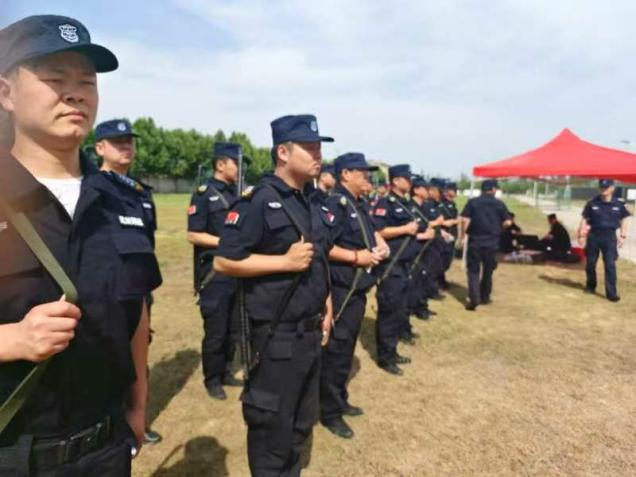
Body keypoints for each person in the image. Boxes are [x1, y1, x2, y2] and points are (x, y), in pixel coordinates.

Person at [0, 15, 161, 475]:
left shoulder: (121, 202)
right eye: (55, 78)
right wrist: (11, 340)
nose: (75, 94)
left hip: (105, 447)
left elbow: (135, 312)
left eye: (86, 81)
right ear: (6, 94)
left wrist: (138, 404)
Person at [214, 114, 334, 476]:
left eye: (319, 148)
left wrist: (326, 303)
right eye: (309, 148)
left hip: (310, 333)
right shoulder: (258, 201)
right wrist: (284, 262)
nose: (318, 155)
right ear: (283, 152)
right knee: (272, 434)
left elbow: (319, 259)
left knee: (300, 425)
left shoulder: (312, 199)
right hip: (276, 338)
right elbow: (224, 261)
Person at [94, 118, 163, 445]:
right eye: (117, 142)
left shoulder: (140, 193)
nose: (126, 147)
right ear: (99, 148)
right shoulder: (92, 187)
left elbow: (147, 244)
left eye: (129, 141)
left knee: (138, 358)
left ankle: (137, 418)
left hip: (139, 290)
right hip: (106, 293)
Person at [320, 152, 389, 439]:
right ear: (345, 174)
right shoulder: (335, 203)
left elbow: (371, 234)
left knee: (345, 350)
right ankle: (329, 412)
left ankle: (338, 399)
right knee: (336, 352)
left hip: (357, 290)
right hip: (341, 290)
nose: (367, 178)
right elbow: (323, 246)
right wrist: (356, 257)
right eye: (362, 173)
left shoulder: (357, 204)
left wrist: (381, 246)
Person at [187, 142, 244, 399]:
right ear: (221, 165)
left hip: (237, 271)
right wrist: (225, 242)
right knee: (216, 331)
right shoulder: (204, 194)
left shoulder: (237, 195)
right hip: (214, 274)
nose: (239, 169)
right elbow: (194, 234)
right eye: (236, 163)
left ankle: (226, 371)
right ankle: (212, 379)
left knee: (234, 328)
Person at [372, 164, 420, 375]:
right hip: (391, 266)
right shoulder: (385, 203)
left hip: (405, 265)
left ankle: (392, 351)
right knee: (389, 312)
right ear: (396, 181)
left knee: (399, 309)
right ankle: (385, 357)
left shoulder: (405, 203)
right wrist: (405, 229)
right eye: (407, 179)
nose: (410, 182)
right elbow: (378, 230)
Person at [460, 179, 512, 311]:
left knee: (473, 270)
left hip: (475, 241)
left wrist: (463, 236)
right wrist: (499, 228)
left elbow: (465, 220)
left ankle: (474, 298)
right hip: (492, 242)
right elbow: (508, 222)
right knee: (488, 271)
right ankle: (484, 296)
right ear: (493, 189)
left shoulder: (472, 202)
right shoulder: (499, 204)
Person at [578, 179, 630, 301]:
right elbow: (584, 218)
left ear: (612, 188)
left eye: (606, 187)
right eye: (602, 187)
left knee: (610, 265)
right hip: (593, 236)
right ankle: (590, 286)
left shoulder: (619, 204)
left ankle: (611, 294)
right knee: (590, 264)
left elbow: (624, 219)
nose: (604, 189)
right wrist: (581, 234)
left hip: (609, 237)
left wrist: (623, 236)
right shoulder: (592, 203)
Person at [407, 176, 440, 321]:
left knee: (424, 278)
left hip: (427, 249)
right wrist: (423, 235)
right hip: (414, 250)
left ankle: (421, 305)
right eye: (425, 189)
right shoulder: (409, 208)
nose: (428, 191)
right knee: (414, 281)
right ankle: (414, 307)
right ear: (416, 190)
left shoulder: (424, 207)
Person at [438, 180, 460, 288]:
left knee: (448, 259)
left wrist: (455, 221)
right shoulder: (441, 203)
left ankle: (440, 278)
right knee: (442, 259)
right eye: (453, 190)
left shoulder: (453, 204)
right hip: (444, 234)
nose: (455, 192)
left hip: (452, 234)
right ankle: (439, 280)